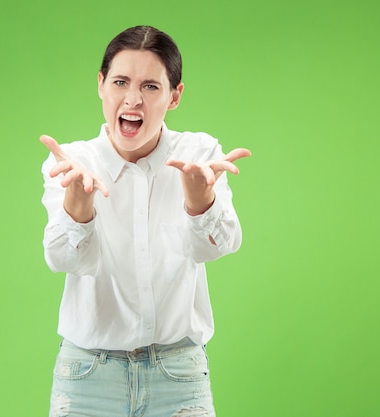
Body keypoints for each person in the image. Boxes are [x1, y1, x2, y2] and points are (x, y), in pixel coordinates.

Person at [39, 25, 251, 417]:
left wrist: (199, 200)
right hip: (87, 377)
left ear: (175, 95)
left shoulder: (200, 153)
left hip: (178, 374)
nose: (133, 99)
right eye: (120, 82)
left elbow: (218, 247)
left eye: (151, 86)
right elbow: (63, 261)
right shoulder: (72, 163)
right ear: (101, 85)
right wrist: (78, 207)